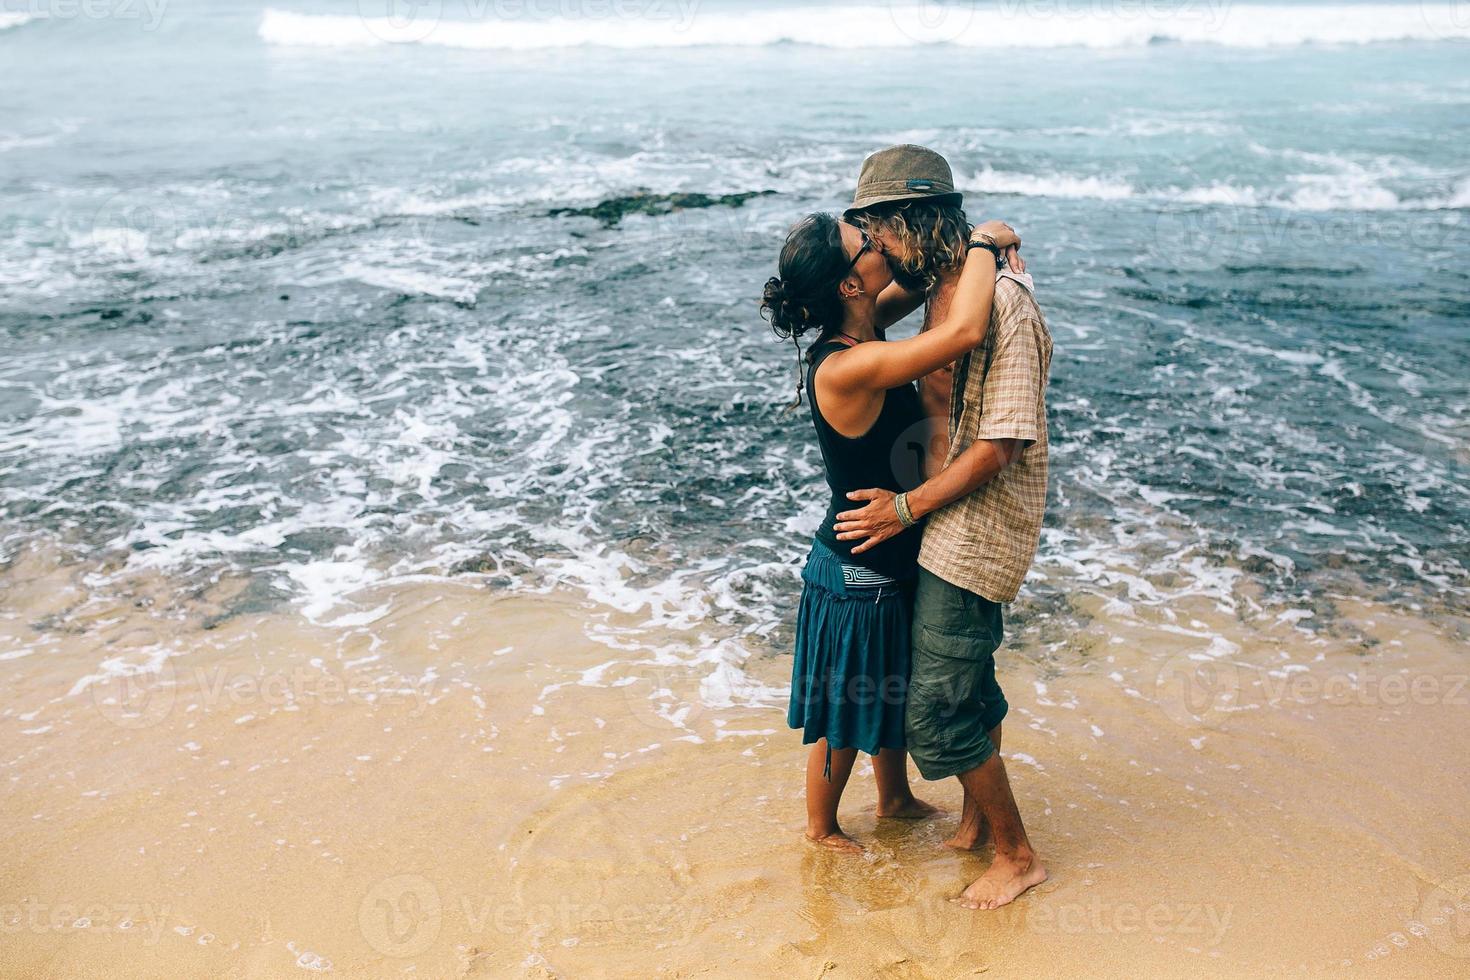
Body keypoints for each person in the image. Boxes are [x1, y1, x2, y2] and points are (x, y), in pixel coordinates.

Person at [760, 208, 1021, 853]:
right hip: (857, 563)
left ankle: (894, 798)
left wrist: (967, 245)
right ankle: (821, 829)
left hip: (887, 547)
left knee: (890, 680)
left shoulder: (868, 324)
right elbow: (963, 330)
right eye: (868, 244)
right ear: (851, 284)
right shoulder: (846, 365)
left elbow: (932, 282)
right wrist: (986, 240)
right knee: (848, 703)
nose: (883, 246)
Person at [835, 144, 1053, 909]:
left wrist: (902, 510)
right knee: (969, 675)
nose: (876, 252)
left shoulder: (1004, 304)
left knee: (935, 712)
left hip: (974, 521)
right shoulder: (935, 282)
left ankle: (1019, 855)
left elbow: (1001, 445)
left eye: (878, 234)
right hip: (938, 509)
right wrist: (986, 239)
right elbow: (858, 312)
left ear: (911, 222)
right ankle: (978, 823)